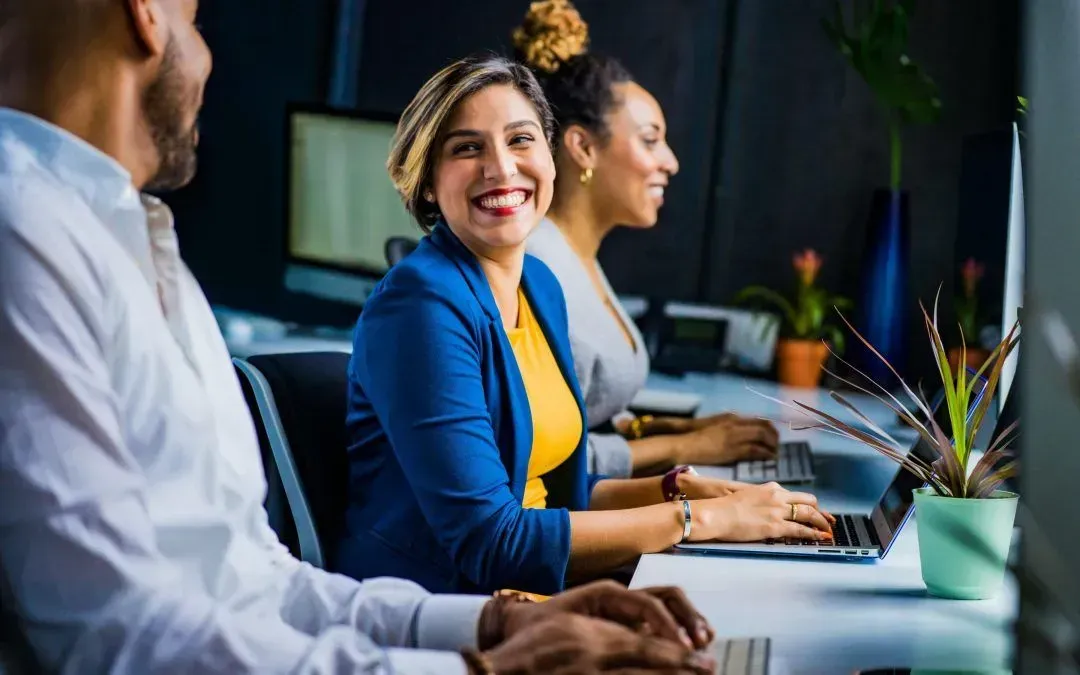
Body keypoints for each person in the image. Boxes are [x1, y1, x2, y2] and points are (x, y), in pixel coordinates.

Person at [0, 1, 720, 673]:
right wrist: (472, 664)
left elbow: (259, 580)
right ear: (147, 14)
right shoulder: (24, 235)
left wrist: (492, 630)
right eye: (197, 18)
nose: (211, 57)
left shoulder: (137, 243)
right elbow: (120, 634)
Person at [338, 52, 835, 597]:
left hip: (536, 589)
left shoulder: (541, 286)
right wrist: (701, 521)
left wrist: (680, 492)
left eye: (521, 140)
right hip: (446, 606)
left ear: (551, 158)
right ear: (429, 183)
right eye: (467, 148)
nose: (502, 167)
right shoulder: (420, 306)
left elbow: (559, 497)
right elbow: (491, 542)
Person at [517, 0, 780, 479]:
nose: (671, 162)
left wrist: (670, 430)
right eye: (650, 139)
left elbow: (585, 415)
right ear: (583, 147)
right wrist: (688, 447)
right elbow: (542, 462)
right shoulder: (538, 269)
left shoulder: (578, 258)